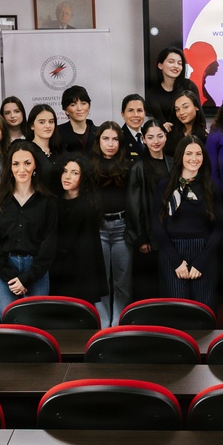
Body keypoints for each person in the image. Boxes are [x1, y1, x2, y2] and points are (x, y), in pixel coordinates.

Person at [0, 141, 58, 316]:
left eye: (27, 163)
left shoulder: (48, 201)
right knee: (10, 323)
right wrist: (11, 277)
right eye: (16, 164)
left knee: (34, 324)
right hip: (4, 272)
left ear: (35, 166)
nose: (22, 169)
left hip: (36, 271)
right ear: (10, 167)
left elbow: (49, 246)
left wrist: (26, 278)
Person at [154, 136, 223, 307]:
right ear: (180, 156)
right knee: (178, 310)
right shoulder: (165, 186)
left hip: (204, 252)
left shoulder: (211, 186)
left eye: (198, 154)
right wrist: (176, 262)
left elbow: (219, 226)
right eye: (189, 153)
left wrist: (201, 262)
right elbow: (156, 224)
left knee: (205, 309)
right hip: (172, 253)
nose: (194, 158)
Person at [51, 153, 109, 321]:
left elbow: (89, 253)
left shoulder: (86, 207)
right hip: (54, 268)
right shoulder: (53, 202)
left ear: (84, 178)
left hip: (78, 274)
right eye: (65, 171)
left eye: (75, 173)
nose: (67, 176)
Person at [126, 119, 173, 302]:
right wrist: (142, 237)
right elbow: (134, 204)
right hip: (148, 237)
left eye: (160, 136)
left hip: (170, 233)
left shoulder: (172, 163)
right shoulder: (138, 167)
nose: (156, 141)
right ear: (144, 139)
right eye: (151, 137)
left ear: (166, 137)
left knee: (167, 284)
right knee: (148, 287)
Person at [92, 121, 133, 324]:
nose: (110, 144)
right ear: (98, 141)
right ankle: (103, 326)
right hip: (97, 228)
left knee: (122, 281)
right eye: (106, 139)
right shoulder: (89, 165)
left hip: (121, 227)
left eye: (115, 139)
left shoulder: (129, 165)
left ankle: (118, 325)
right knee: (101, 282)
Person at [146, 47, 199, 132]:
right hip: (167, 135)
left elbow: (199, 115)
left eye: (179, 63)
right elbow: (161, 121)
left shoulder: (189, 86)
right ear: (160, 65)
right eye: (171, 62)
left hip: (191, 134)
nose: (176, 66)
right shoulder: (153, 94)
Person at [55, 85, 97, 154]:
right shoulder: (57, 133)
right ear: (66, 110)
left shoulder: (99, 132)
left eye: (83, 103)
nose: (79, 108)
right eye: (73, 105)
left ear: (89, 107)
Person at [165, 90, 208, 156]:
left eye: (185, 107)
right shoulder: (170, 132)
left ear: (196, 107)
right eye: (177, 109)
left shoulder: (205, 136)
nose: (181, 112)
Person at [26, 103, 59, 179]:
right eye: (42, 122)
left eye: (51, 122)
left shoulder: (60, 149)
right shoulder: (27, 150)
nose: (48, 126)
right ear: (32, 125)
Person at [119, 93, 147, 162]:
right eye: (130, 110)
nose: (136, 115)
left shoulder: (149, 134)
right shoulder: (119, 138)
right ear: (123, 114)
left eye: (139, 110)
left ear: (145, 113)